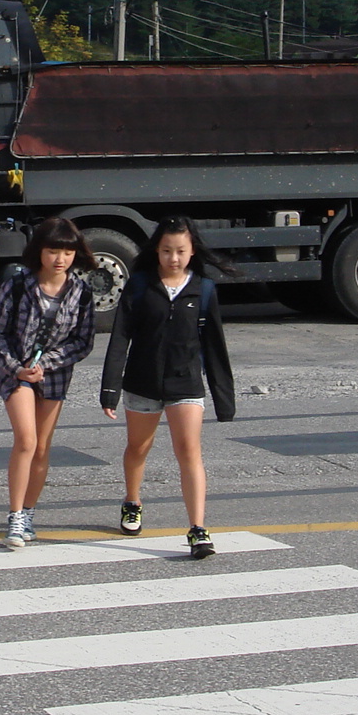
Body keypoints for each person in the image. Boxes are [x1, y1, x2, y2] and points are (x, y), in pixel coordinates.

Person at [99, 216, 236, 560]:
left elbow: (214, 347)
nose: (173, 258)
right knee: (138, 448)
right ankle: (132, 501)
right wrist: (110, 388)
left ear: (192, 251)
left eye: (180, 251)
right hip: (142, 382)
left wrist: (224, 399)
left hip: (185, 382)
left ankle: (198, 529)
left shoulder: (203, 290)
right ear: (156, 251)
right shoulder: (140, 286)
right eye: (166, 251)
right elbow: (120, 338)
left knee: (189, 451)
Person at [0, 217, 97, 550]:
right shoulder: (18, 285)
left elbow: (83, 342)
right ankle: (15, 516)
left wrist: (45, 364)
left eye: (67, 252)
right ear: (39, 251)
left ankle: (29, 513)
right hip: (15, 373)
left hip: (55, 376)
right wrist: (17, 368)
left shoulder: (81, 292)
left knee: (43, 447)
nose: (60, 259)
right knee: (26, 440)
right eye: (53, 251)